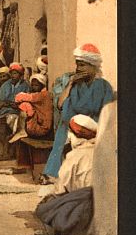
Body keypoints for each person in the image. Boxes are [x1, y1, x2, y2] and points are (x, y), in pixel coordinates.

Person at [42, 44, 113, 183]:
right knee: (63, 129)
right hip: (73, 124)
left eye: (83, 65)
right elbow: (61, 105)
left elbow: (106, 113)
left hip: (95, 125)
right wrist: (69, 84)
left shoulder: (103, 86)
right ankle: (53, 174)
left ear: (93, 66)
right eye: (77, 65)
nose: (78, 69)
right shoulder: (75, 85)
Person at [34, 114, 98, 235]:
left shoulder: (75, 155)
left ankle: (52, 232)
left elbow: (61, 188)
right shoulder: (102, 150)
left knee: (46, 199)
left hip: (83, 205)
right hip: (101, 201)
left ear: (75, 136)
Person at [12, 72, 52, 175]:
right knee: (26, 105)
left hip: (41, 128)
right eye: (32, 85)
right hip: (38, 125)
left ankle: (21, 130)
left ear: (42, 85)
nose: (34, 87)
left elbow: (19, 98)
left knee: (24, 105)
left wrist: (21, 100)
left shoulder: (43, 95)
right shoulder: (40, 95)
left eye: (36, 85)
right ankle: (23, 166)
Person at [0, 61, 29, 137]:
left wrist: (16, 105)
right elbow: (0, 101)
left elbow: (26, 102)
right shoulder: (5, 85)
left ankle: (15, 136)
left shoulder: (25, 86)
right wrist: (7, 103)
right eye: (11, 73)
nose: (13, 76)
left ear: (20, 75)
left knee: (12, 121)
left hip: (15, 112)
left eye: (15, 73)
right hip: (2, 111)